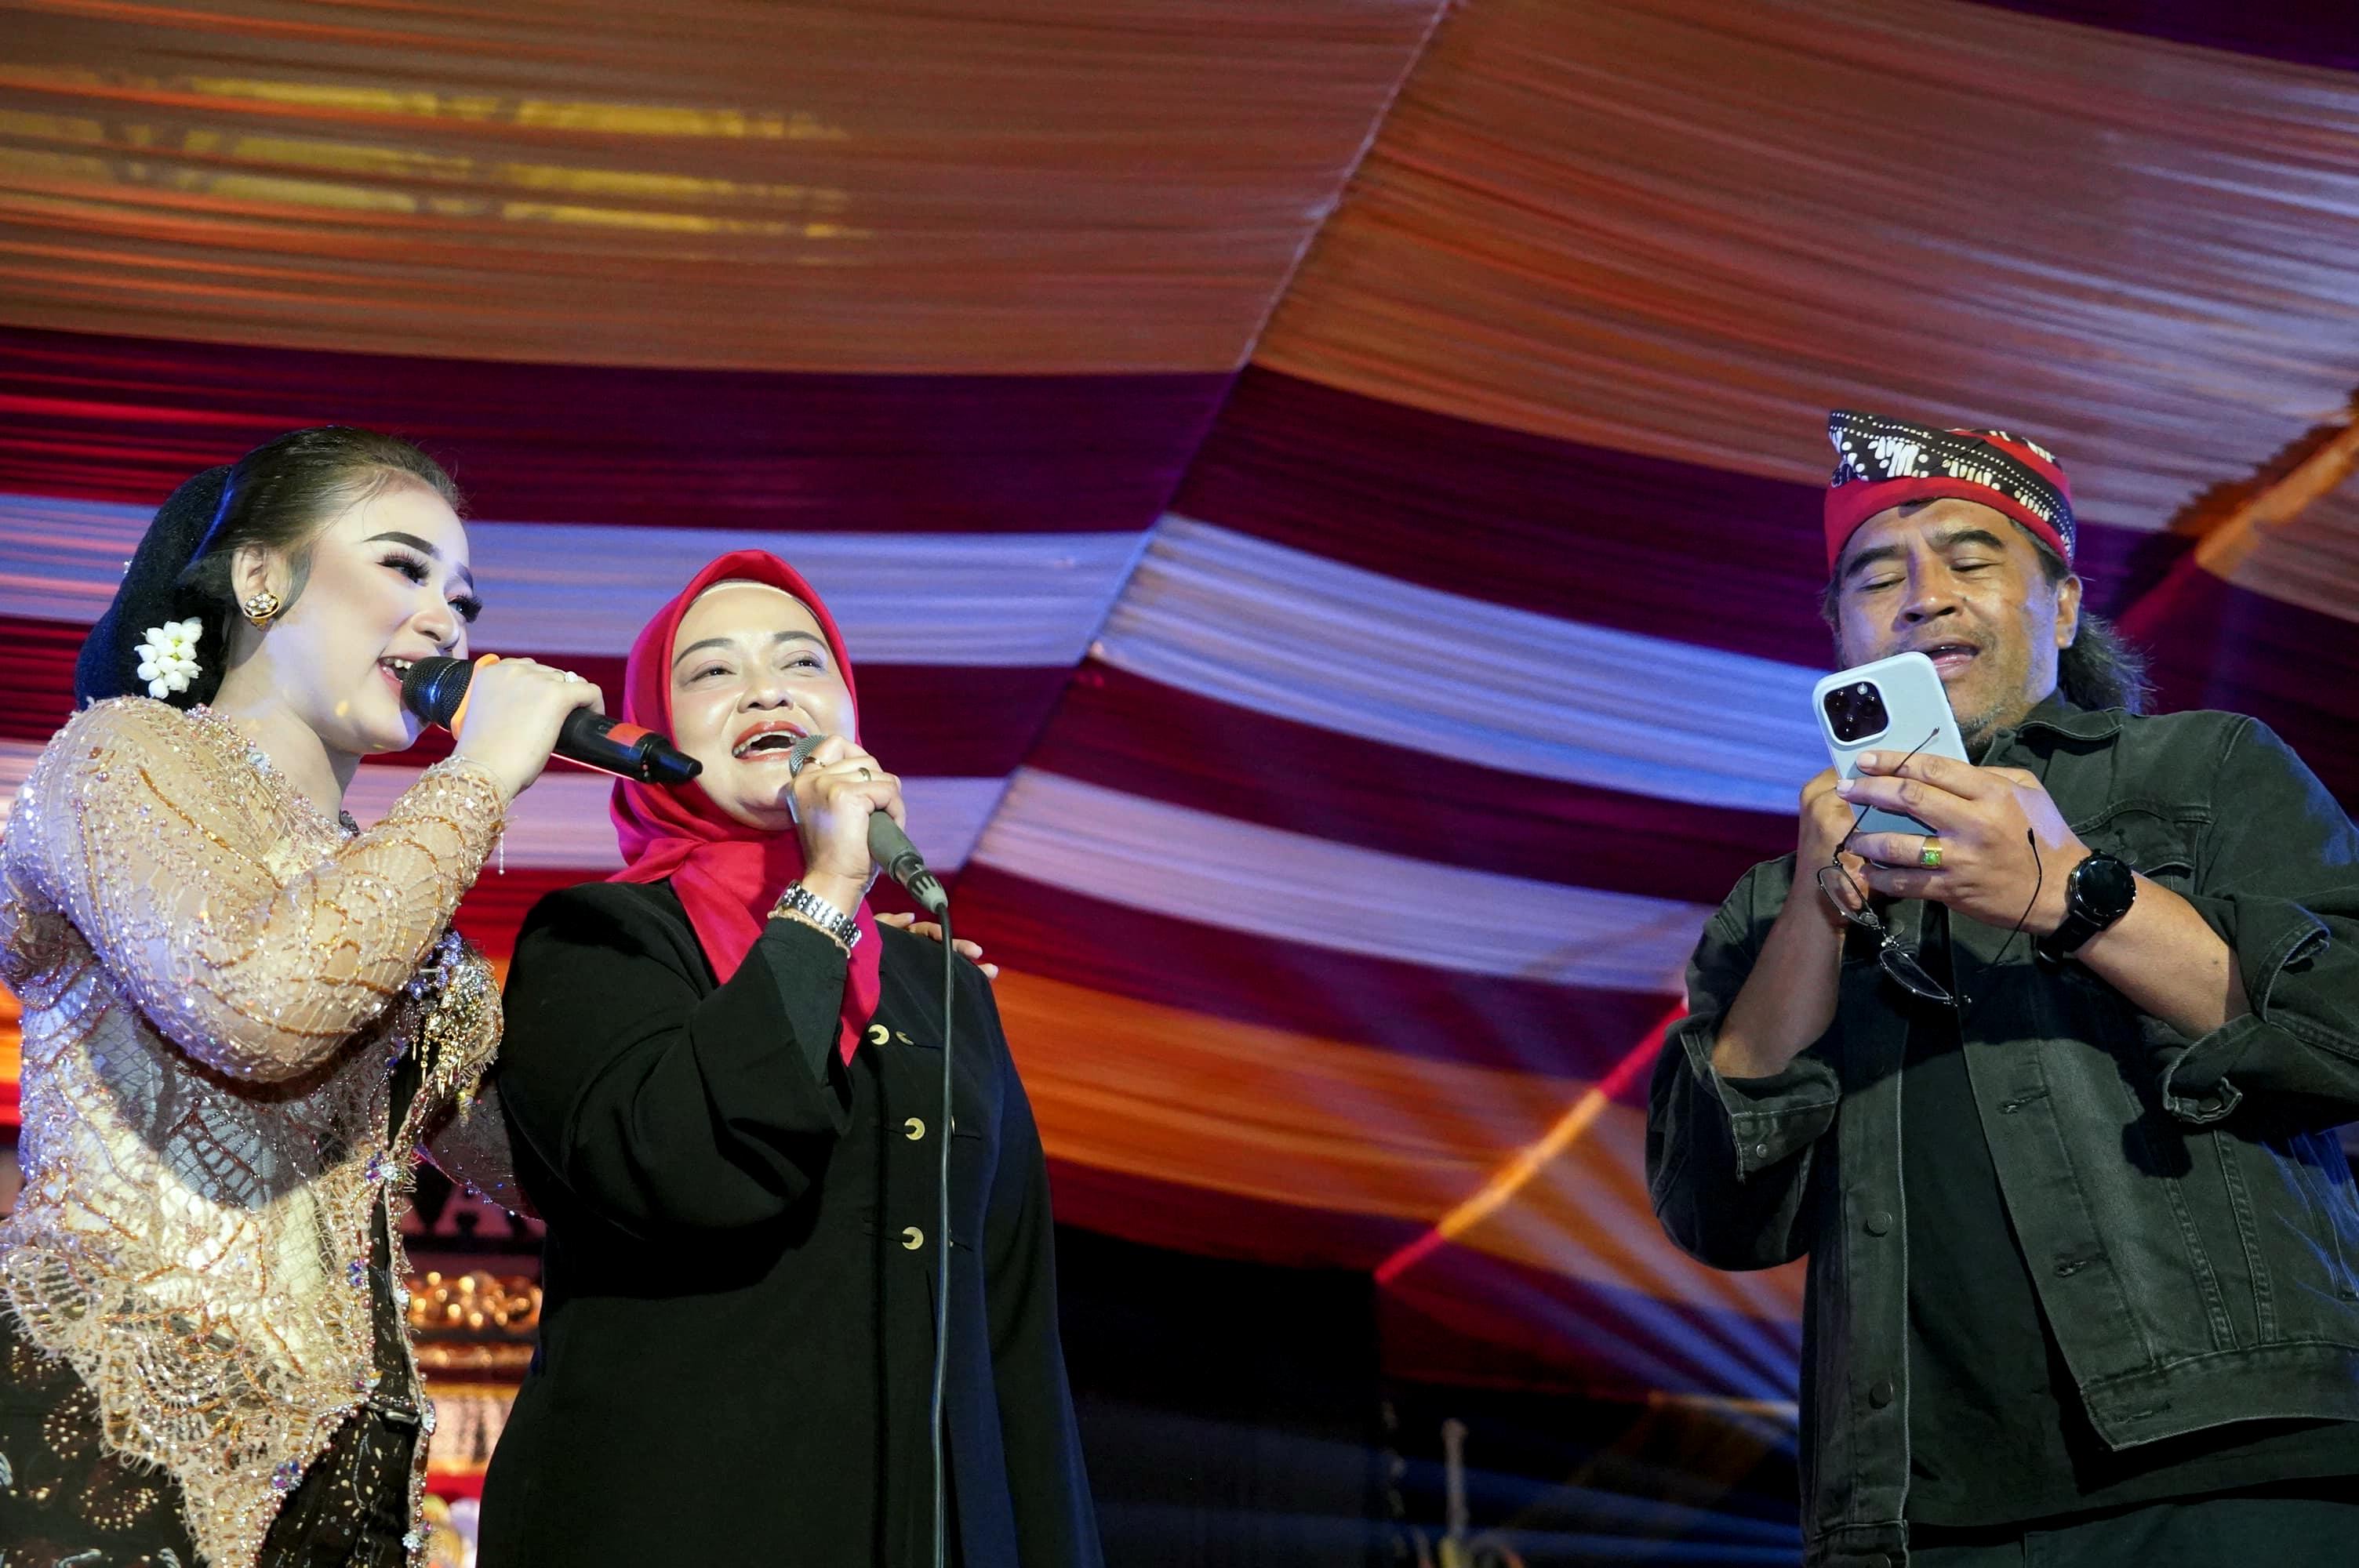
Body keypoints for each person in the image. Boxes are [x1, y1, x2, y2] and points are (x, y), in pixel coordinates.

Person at [1647, 410, 2359, 1567]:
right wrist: (1816, 918)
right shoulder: (1772, 903)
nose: (1924, 598)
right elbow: (1714, 1213)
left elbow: (2341, 1030)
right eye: (1879, 577)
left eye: (1971, 560)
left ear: (2063, 608)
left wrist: (2068, 892)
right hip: (1917, 1515)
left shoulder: (2204, 768)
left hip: (2234, 1462)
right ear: (1840, 632)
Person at [0, 428, 596, 1568]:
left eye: (463, 599)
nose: (447, 623)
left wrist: (787, 948)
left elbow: (544, 1167)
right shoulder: (119, 759)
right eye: (405, 567)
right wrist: (478, 778)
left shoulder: (388, 889)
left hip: (352, 1471)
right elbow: (259, 1004)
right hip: (112, 1422)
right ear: (261, 576)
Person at [478, 550, 1100, 1566]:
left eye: (803, 663)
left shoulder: (937, 981)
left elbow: (1013, 1324)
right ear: (657, 734)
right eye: (712, 671)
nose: (767, 690)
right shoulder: (599, 941)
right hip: (681, 1527)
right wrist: (828, 890)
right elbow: (689, 1170)